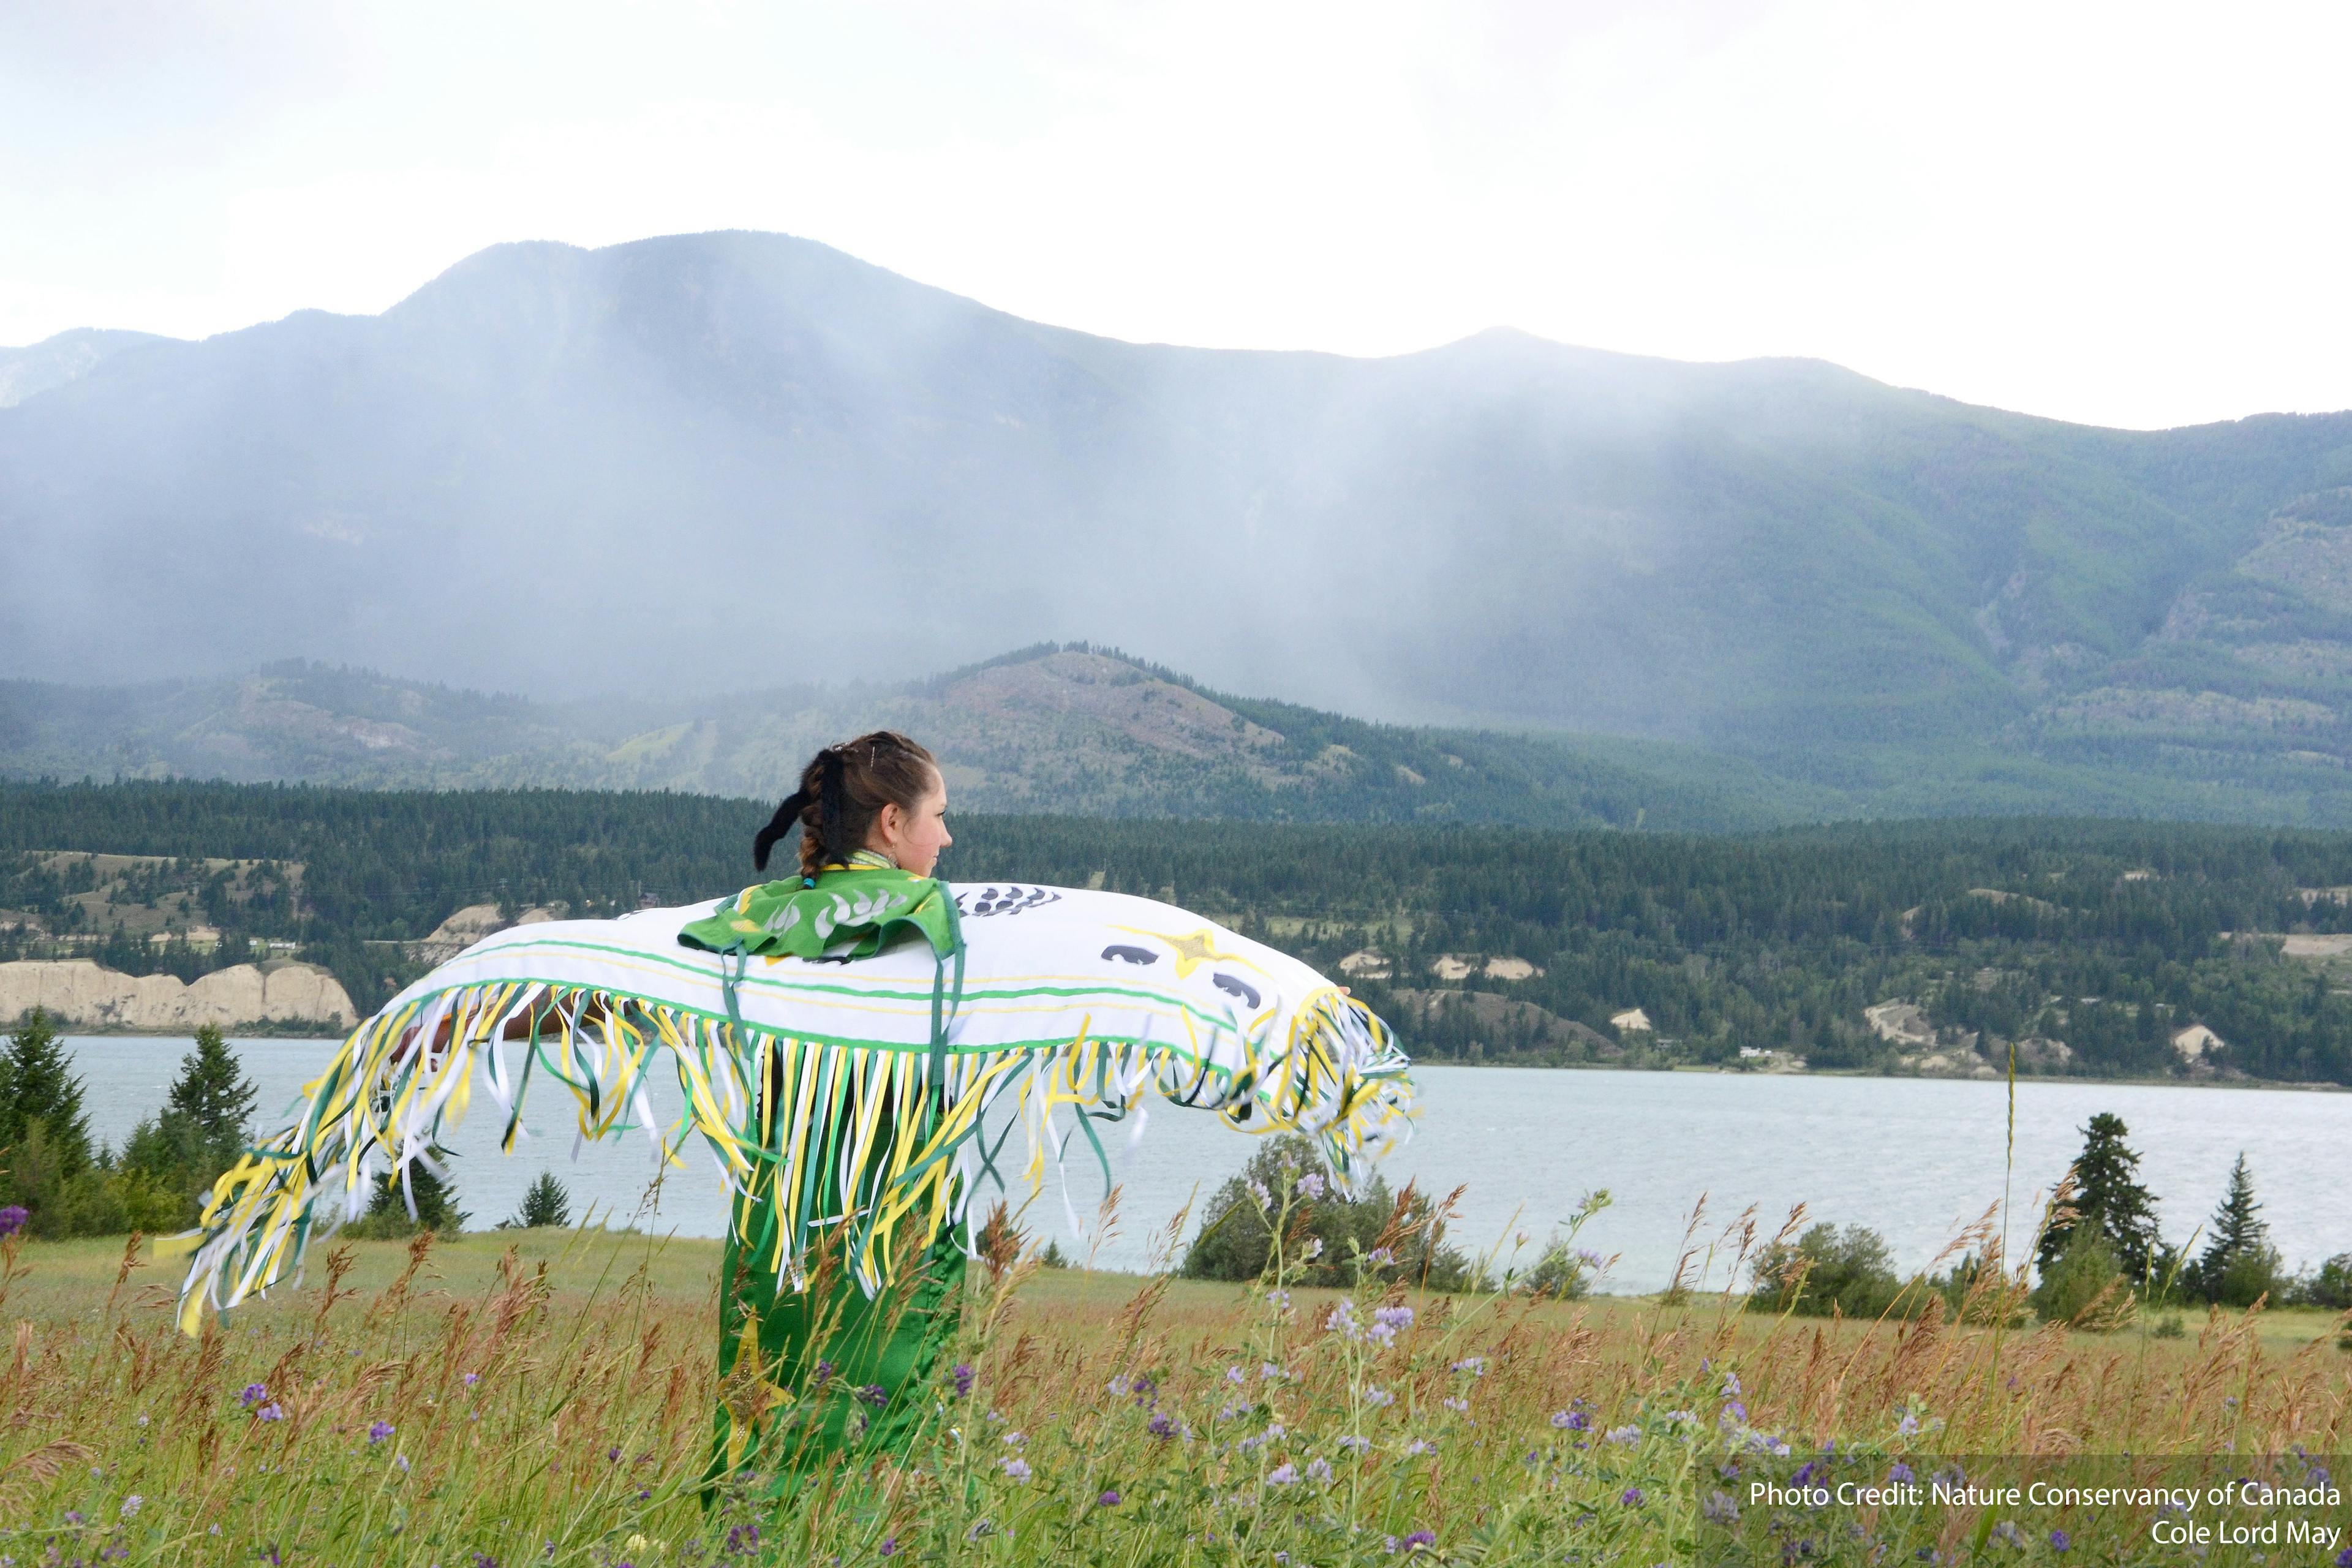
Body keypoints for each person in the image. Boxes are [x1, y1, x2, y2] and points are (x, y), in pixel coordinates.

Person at [681, 730, 963, 1492]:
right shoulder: (938, 919)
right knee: (885, 1443)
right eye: (937, 814)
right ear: (894, 824)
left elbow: (633, 984)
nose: (947, 835)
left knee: (763, 1419)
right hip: (890, 1224)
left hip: (776, 1220)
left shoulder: (754, 916)